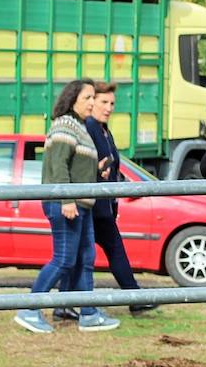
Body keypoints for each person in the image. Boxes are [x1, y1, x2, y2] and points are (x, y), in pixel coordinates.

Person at [15, 79, 119, 334]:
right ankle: (29, 309)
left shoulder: (80, 127)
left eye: (94, 97)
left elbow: (73, 165)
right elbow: (58, 165)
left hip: (80, 203)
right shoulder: (64, 125)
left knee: (86, 258)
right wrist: (66, 199)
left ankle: (88, 312)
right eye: (88, 98)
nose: (93, 103)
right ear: (72, 99)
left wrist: (95, 171)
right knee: (64, 259)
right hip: (66, 203)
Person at [54, 82, 155, 321]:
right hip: (93, 204)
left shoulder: (102, 128)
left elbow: (109, 164)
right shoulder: (89, 126)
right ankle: (132, 299)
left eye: (111, 103)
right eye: (102, 102)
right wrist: (101, 173)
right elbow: (87, 164)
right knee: (103, 251)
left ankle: (63, 304)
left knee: (79, 256)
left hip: (102, 203)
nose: (108, 107)